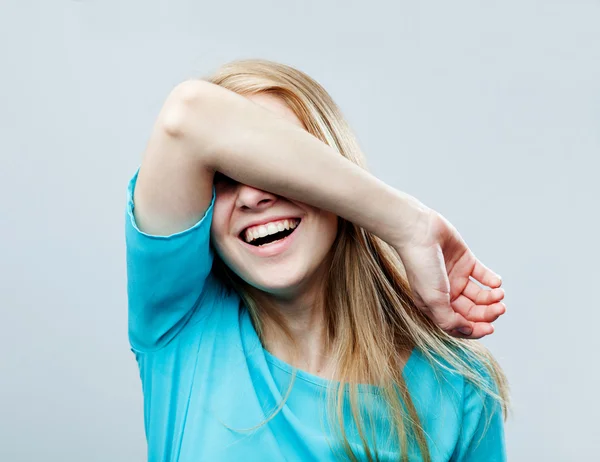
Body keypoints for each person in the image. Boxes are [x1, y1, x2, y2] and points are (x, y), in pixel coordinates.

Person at [125, 59, 509, 462]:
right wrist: (409, 225)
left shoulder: (459, 385)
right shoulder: (180, 322)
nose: (253, 196)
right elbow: (187, 115)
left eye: (278, 169)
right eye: (224, 174)